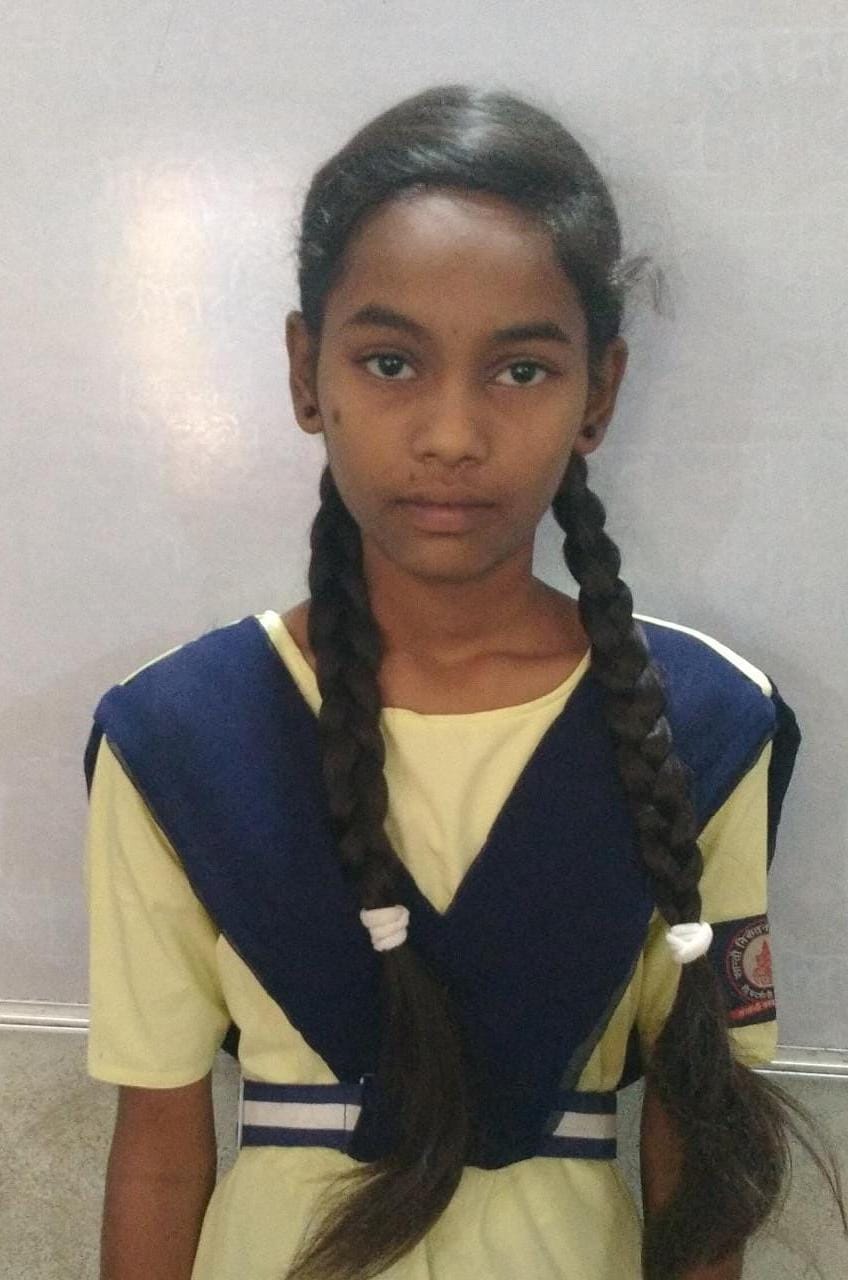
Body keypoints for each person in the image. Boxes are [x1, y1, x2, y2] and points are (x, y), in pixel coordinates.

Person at [83, 83, 845, 1280]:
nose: (450, 432)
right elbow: (159, 1151)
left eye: (520, 370)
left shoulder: (697, 719)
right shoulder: (180, 733)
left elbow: (696, 1127)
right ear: (305, 371)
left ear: (598, 392)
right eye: (390, 360)